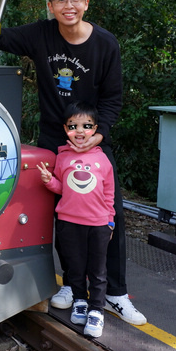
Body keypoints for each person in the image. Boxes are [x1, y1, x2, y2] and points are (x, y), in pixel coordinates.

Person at [0, 0, 146, 326]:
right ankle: (71, 284)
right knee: (60, 213)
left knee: (110, 213)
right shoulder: (41, 35)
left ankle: (116, 292)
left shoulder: (105, 44)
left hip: (93, 142)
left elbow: (113, 99)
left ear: (86, 3)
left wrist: (98, 135)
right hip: (54, 139)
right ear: (50, 6)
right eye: (60, 0)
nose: (69, 5)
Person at [37, 101, 114, 338]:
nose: (79, 131)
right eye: (73, 126)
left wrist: (110, 221)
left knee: (98, 270)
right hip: (68, 222)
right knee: (75, 267)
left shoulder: (103, 160)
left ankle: (97, 310)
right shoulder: (62, 157)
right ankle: (80, 301)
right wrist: (49, 180)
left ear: (95, 129)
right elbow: (63, 188)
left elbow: (109, 193)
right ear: (65, 128)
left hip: (98, 224)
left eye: (86, 126)